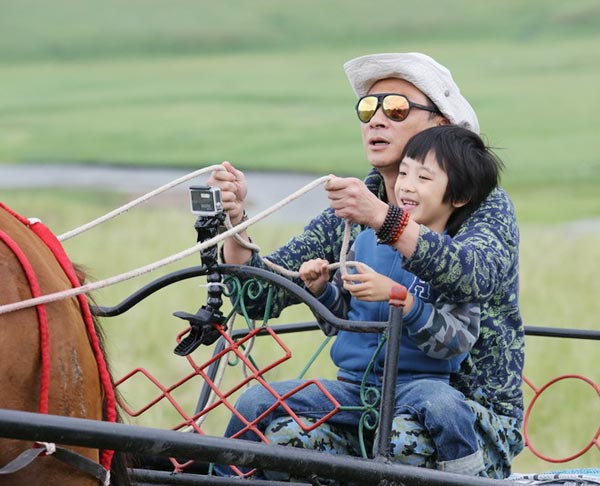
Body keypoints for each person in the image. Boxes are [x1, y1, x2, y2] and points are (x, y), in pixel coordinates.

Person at [208, 52, 524, 478]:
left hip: (465, 416)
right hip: (364, 396)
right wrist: (234, 222)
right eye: (367, 108)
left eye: (395, 108)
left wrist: (382, 217)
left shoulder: (482, 202)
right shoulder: (356, 209)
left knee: (382, 453)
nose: (376, 120)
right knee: (280, 442)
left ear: (441, 125)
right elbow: (259, 297)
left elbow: (473, 275)